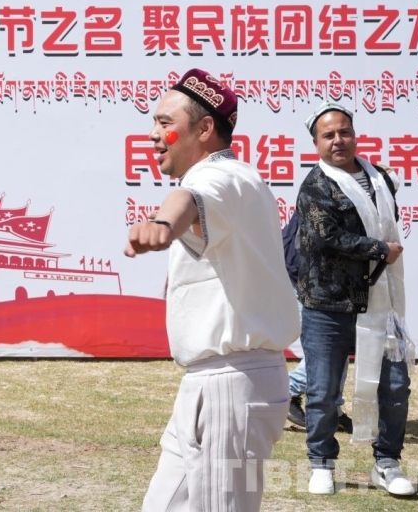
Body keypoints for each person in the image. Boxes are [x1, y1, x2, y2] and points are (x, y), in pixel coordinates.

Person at [125, 68, 300, 512]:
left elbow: (187, 200)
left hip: (231, 382)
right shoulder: (233, 180)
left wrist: (163, 222)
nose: (153, 134)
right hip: (214, 382)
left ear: (204, 129)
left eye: (165, 122)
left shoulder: (224, 178)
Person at [297, 101, 414, 496]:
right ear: (316, 143)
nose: (338, 140)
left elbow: (387, 221)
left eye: (344, 131)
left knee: (394, 387)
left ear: (355, 135)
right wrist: (380, 250)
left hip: (380, 301)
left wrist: (383, 250)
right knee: (323, 393)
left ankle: (387, 463)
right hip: (327, 305)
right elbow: (326, 238)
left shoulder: (378, 177)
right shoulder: (315, 186)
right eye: (328, 135)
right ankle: (321, 463)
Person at [281, 212, 352, 434]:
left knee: (337, 347)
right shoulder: (330, 197)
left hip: (317, 279)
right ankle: (288, 390)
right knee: (329, 349)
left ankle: (333, 408)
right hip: (313, 282)